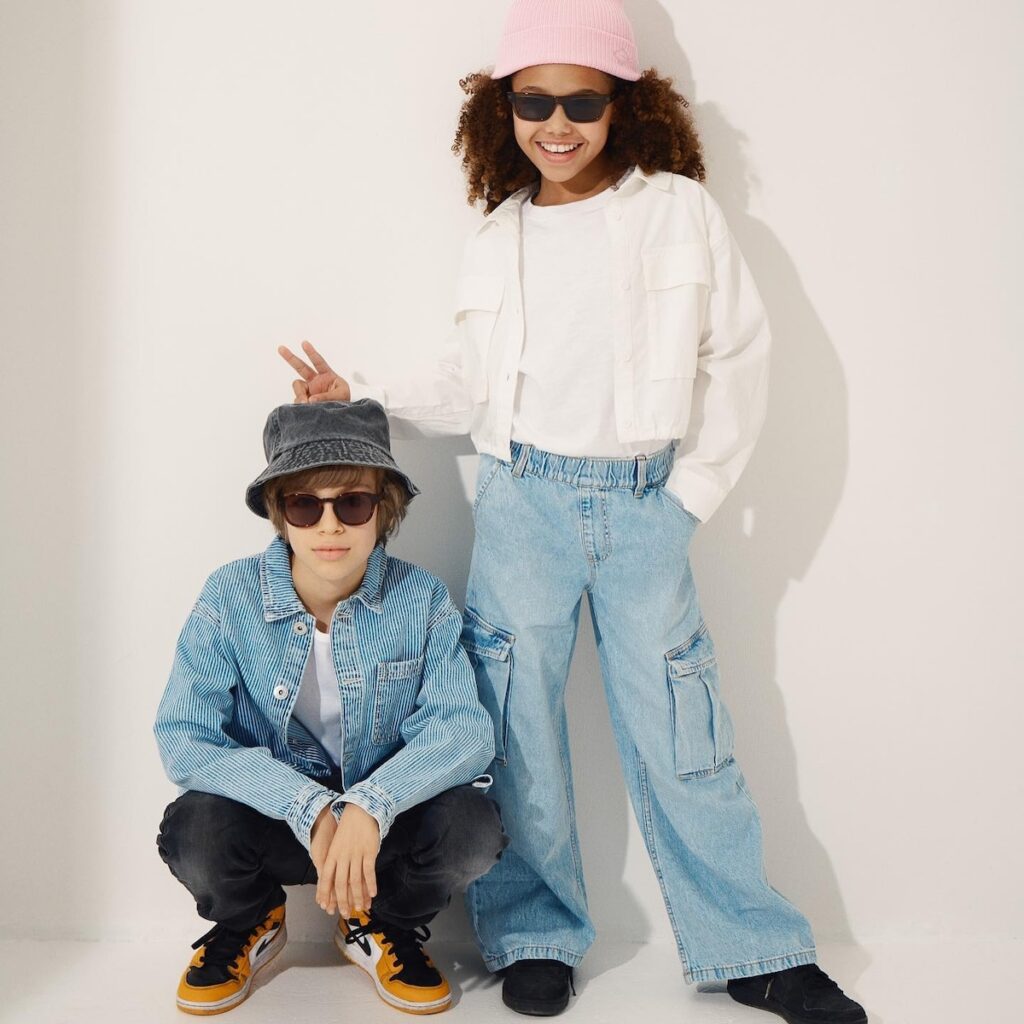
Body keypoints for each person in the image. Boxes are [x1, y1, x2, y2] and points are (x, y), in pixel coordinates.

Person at [279, 3, 867, 1021]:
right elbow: (472, 384)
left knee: (683, 732)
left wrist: (687, 499)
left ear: (623, 105)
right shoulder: (497, 235)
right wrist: (358, 395)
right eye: (533, 101)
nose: (557, 124)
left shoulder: (678, 211)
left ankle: (754, 948)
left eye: (582, 103)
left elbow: (738, 356)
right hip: (522, 507)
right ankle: (534, 937)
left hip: (643, 506)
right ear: (501, 109)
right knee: (516, 732)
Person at [154, 399, 507, 1016]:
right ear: (280, 512)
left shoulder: (421, 598)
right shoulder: (229, 596)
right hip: (278, 824)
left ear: (383, 509)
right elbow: (184, 737)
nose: (329, 526)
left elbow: (463, 732)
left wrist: (372, 804)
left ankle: (381, 922)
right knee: (195, 830)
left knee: (472, 828)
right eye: (304, 505)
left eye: (352, 503)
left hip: (382, 831)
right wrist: (309, 807)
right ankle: (251, 920)